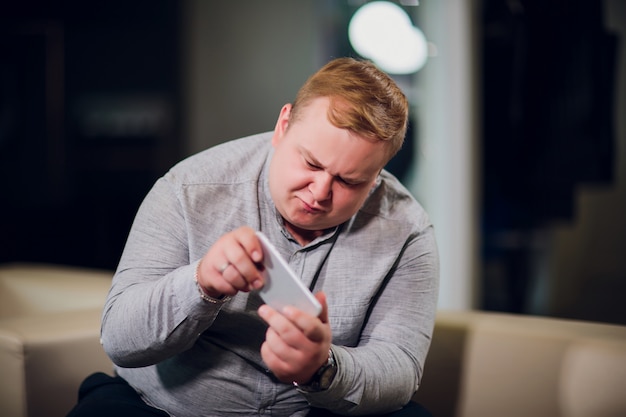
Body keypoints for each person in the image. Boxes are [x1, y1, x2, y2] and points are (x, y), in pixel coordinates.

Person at [67, 57, 439, 417]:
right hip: (162, 407)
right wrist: (201, 283)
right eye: (311, 163)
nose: (320, 192)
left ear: (375, 177)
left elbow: (400, 367)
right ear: (283, 125)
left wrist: (323, 368)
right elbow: (119, 339)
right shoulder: (189, 189)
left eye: (348, 181)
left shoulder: (407, 229)